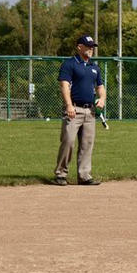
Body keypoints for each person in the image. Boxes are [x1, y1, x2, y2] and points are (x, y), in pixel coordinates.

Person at [54, 34, 106, 186]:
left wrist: (101, 99)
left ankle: (84, 175)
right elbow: (64, 86)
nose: (91, 49)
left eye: (92, 47)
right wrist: (69, 105)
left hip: (90, 111)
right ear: (79, 47)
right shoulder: (70, 64)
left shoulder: (94, 67)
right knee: (68, 141)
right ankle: (61, 174)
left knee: (87, 144)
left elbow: (100, 87)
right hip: (74, 109)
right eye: (88, 46)